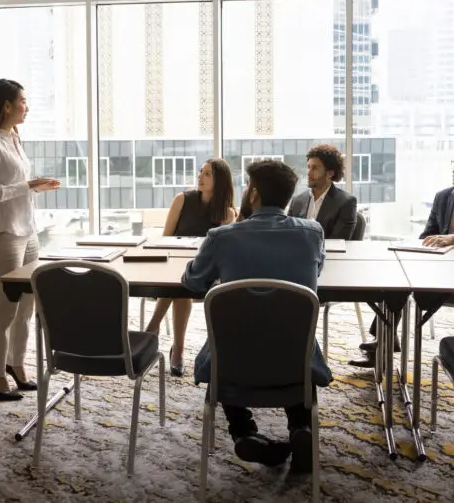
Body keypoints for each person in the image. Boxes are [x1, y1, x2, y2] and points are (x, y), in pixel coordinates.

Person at [182, 160, 332, 473]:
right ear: (288, 198)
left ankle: (243, 431)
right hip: (294, 361)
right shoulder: (312, 233)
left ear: (253, 195)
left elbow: (194, 283)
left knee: (230, 336)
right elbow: (315, 272)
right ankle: (301, 427)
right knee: (290, 330)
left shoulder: (221, 237)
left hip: (234, 362)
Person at [349, 145, 454, 368]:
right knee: (396, 281)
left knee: (405, 287)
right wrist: (415, 245)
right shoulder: (442, 196)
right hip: (436, 264)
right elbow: (429, 232)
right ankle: (383, 339)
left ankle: (383, 340)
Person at [0, 79, 60, 401]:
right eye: (23, 100)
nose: (27, 106)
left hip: (27, 230)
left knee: (27, 306)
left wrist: (35, 186)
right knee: (3, 307)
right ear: (6, 105)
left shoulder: (14, 138)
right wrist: (27, 186)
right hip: (4, 233)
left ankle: (16, 365)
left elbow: (18, 184)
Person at [144, 158, 236, 376]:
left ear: (219, 180)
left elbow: (220, 252)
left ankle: (152, 329)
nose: (200, 177)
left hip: (206, 271)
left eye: (207, 174)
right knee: (182, 282)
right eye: (200, 172)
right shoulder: (182, 199)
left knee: (184, 282)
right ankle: (177, 350)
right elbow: (165, 238)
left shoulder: (228, 213)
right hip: (176, 265)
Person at [287, 144, 358, 239]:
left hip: (328, 254)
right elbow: (288, 236)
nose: (308, 173)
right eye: (308, 167)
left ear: (330, 173)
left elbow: (337, 243)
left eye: (315, 168)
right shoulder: (297, 201)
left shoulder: (346, 203)